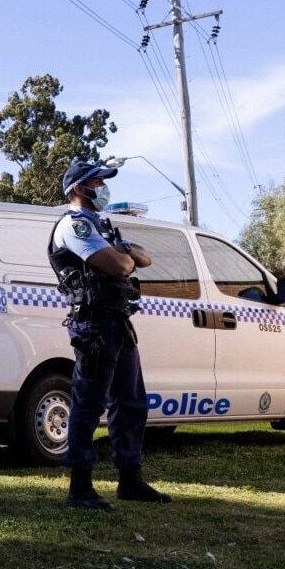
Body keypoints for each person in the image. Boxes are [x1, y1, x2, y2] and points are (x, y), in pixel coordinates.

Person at [48, 161, 172, 511]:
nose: (103, 188)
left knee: (131, 402)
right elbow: (120, 266)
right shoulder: (74, 226)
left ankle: (130, 480)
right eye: (98, 182)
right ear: (78, 189)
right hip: (94, 326)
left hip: (118, 322)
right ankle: (80, 487)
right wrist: (124, 256)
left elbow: (145, 258)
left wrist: (125, 254)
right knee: (88, 405)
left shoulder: (100, 226)